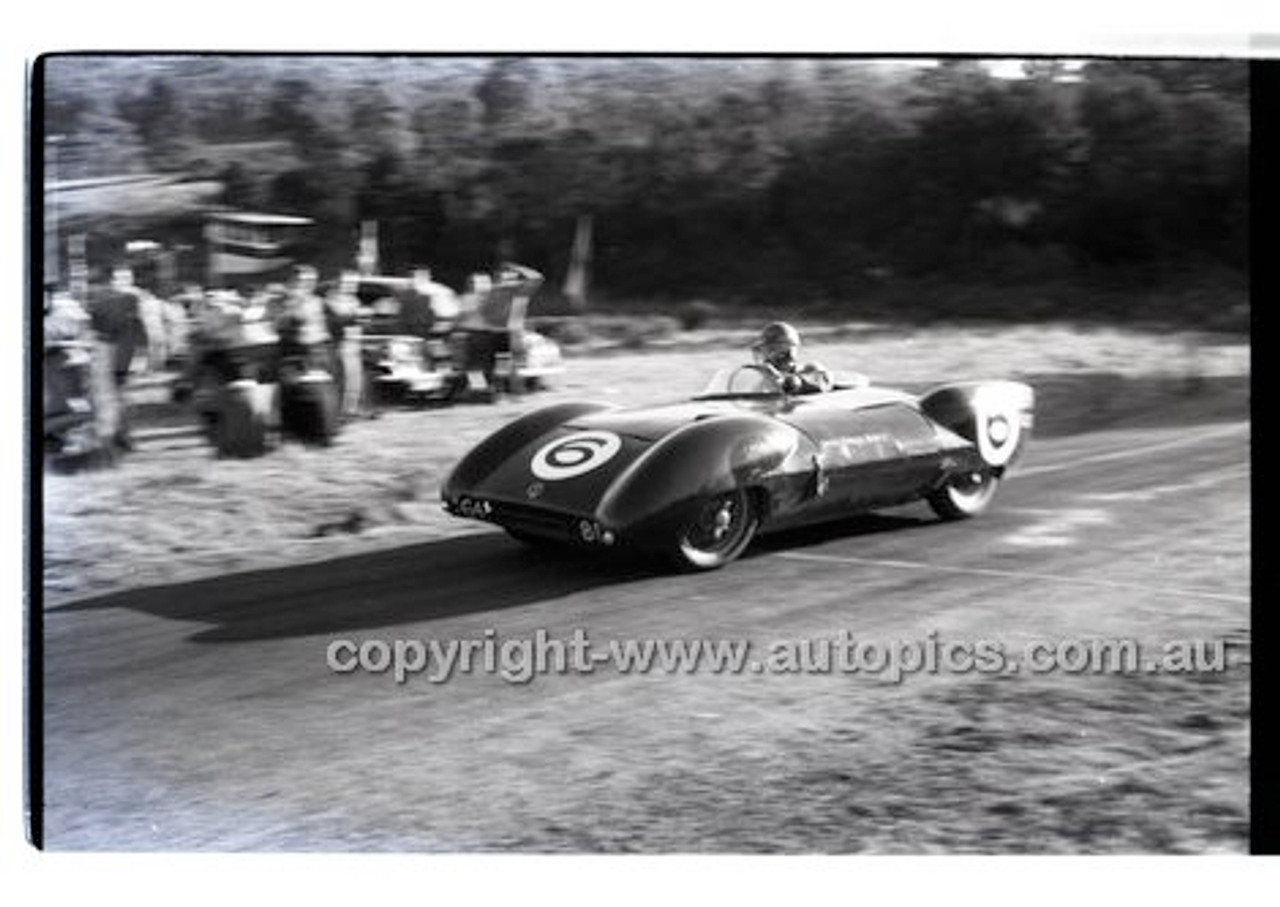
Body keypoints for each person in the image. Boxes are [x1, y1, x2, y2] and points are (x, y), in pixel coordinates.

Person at [751, 321, 833, 394]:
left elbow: (821, 386)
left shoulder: (812, 369)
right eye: (764, 350)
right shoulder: (762, 384)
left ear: (787, 350)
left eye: (771, 349)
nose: (765, 356)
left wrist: (778, 382)